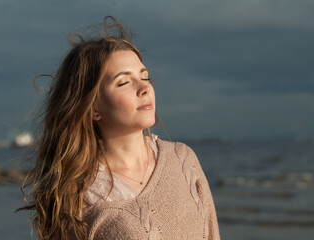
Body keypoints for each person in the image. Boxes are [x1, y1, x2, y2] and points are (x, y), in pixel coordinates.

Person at [19, 16, 220, 240]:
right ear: (93, 108)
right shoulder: (81, 196)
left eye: (145, 77)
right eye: (124, 82)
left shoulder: (183, 160)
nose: (144, 87)